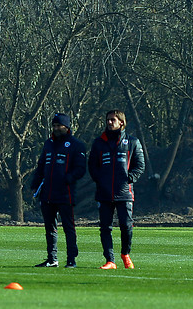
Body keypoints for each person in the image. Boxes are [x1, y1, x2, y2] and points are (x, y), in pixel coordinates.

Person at [88, 109, 145, 269]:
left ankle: (125, 254)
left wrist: (128, 179)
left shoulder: (132, 141)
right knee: (105, 227)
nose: (109, 122)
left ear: (121, 122)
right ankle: (110, 260)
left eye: (113, 120)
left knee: (126, 225)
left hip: (124, 193)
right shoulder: (99, 143)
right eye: (108, 120)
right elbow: (92, 165)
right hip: (104, 193)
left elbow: (140, 166)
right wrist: (100, 180)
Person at [31, 113, 87, 268]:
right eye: (54, 125)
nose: (56, 128)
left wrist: (68, 178)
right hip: (47, 192)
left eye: (59, 126)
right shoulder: (48, 143)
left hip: (65, 193)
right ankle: (52, 258)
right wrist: (35, 182)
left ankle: (71, 259)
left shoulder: (76, 145)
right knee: (50, 228)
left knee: (69, 227)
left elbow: (81, 169)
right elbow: (41, 165)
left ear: (66, 127)